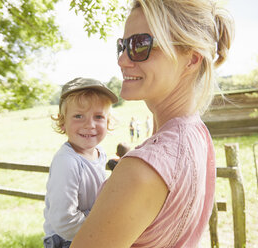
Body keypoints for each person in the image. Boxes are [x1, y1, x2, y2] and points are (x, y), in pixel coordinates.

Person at [71, 0, 234, 247]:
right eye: (122, 46)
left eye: (141, 45)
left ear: (191, 59)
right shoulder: (196, 134)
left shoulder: (141, 170)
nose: (122, 60)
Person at [43, 77, 118, 248]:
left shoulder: (100, 153)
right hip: (67, 240)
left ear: (108, 123)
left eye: (98, 116)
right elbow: (64, 221)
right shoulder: (67, 162)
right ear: (62, 122)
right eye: (78, 116)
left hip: (87, 232)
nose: (90, 124)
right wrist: (102, 230)